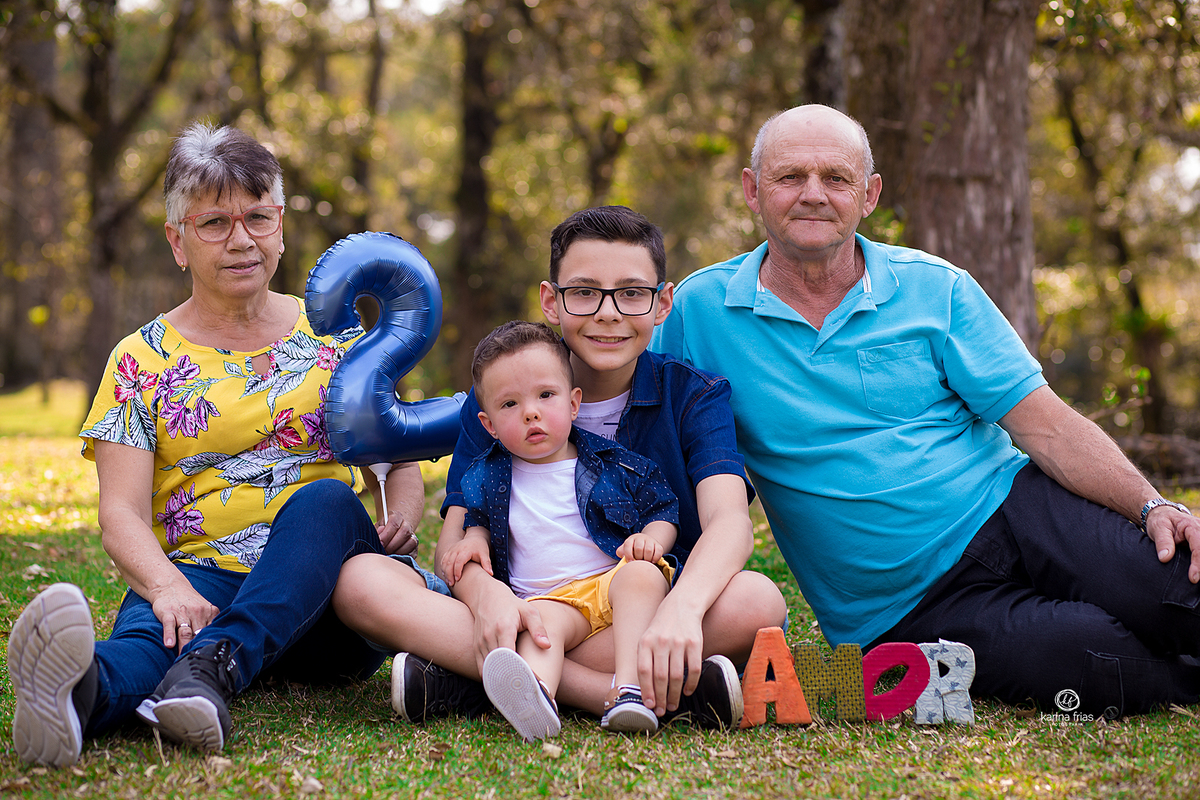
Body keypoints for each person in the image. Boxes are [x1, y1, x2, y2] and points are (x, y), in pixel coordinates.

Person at [652, 103, 1200, 718]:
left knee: (1173, 587)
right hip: (905, 608)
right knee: (1093, 657)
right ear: (753, 191)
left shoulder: (936, 288)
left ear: (869, 195)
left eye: (836, 178)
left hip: (1014, 506)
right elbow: (648, 433)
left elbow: (1047, 427)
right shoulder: (699, 312)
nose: (813, 194)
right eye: (790, 177)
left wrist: (1152, 505)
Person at [7, 121, 424, 767]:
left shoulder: (339, 338)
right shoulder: (139, 360)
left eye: (257, 217)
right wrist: (166, 587)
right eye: (214, 223)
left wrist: (401, 516)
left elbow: (397, 460)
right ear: (177, 241)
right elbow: (120, 513)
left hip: (329, 601)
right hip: (199, 577)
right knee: (149, 642)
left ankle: (212, 663)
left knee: (325, 501)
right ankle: (79, 694)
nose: (241, 239)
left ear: (280, 227)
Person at [334, 205, 787, 728]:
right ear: (552, 301)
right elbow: (454, 542)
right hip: (523, 607)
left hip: (641, 611)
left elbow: (729, 523)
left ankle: (483, 681)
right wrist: (486, 596)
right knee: (360, 581)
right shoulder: (503, 396)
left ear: (662, 303)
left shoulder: (694, 396)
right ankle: (621, 692)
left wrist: (683, 608)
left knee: (757, 601)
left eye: (632, 293)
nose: (608, 313)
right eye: (585, 292)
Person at [447, 320, 682, 740]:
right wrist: (474, 541)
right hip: (550, 602)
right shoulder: (485, 475)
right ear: (489, 425)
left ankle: (630, 690)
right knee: (538, 632)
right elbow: (477, 520)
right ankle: (536, 696)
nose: (531, 412)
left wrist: (652, 540)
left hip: (612, 584)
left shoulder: (613, 463)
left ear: (574, 403)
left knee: (643, 575)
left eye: (545, 395)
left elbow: (663, 507)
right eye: (510, 404)